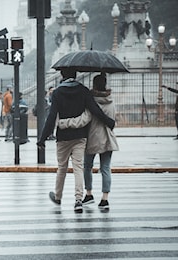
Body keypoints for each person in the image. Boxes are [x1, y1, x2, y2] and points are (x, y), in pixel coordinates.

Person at [36, 68, 115, 213]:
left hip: (63, 136)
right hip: (80, 136)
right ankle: (78, 200)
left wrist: (42, 138)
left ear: (62, 75)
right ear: (76, 75)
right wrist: (109, 121)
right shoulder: (84, 91)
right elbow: (95, 109)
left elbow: (52, 116)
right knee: (78, 167)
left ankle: (58, 196)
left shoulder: (57, 92)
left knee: (62, 168)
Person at [80, 74, 119, 210]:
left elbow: (86, 119)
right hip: (108, 138)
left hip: (92, 137)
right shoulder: (111, 100)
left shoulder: (90, 101)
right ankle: (105, 198)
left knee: (87, 166)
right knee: (105, 168)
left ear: (94, 85)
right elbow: (113, 119)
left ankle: (89, 193)